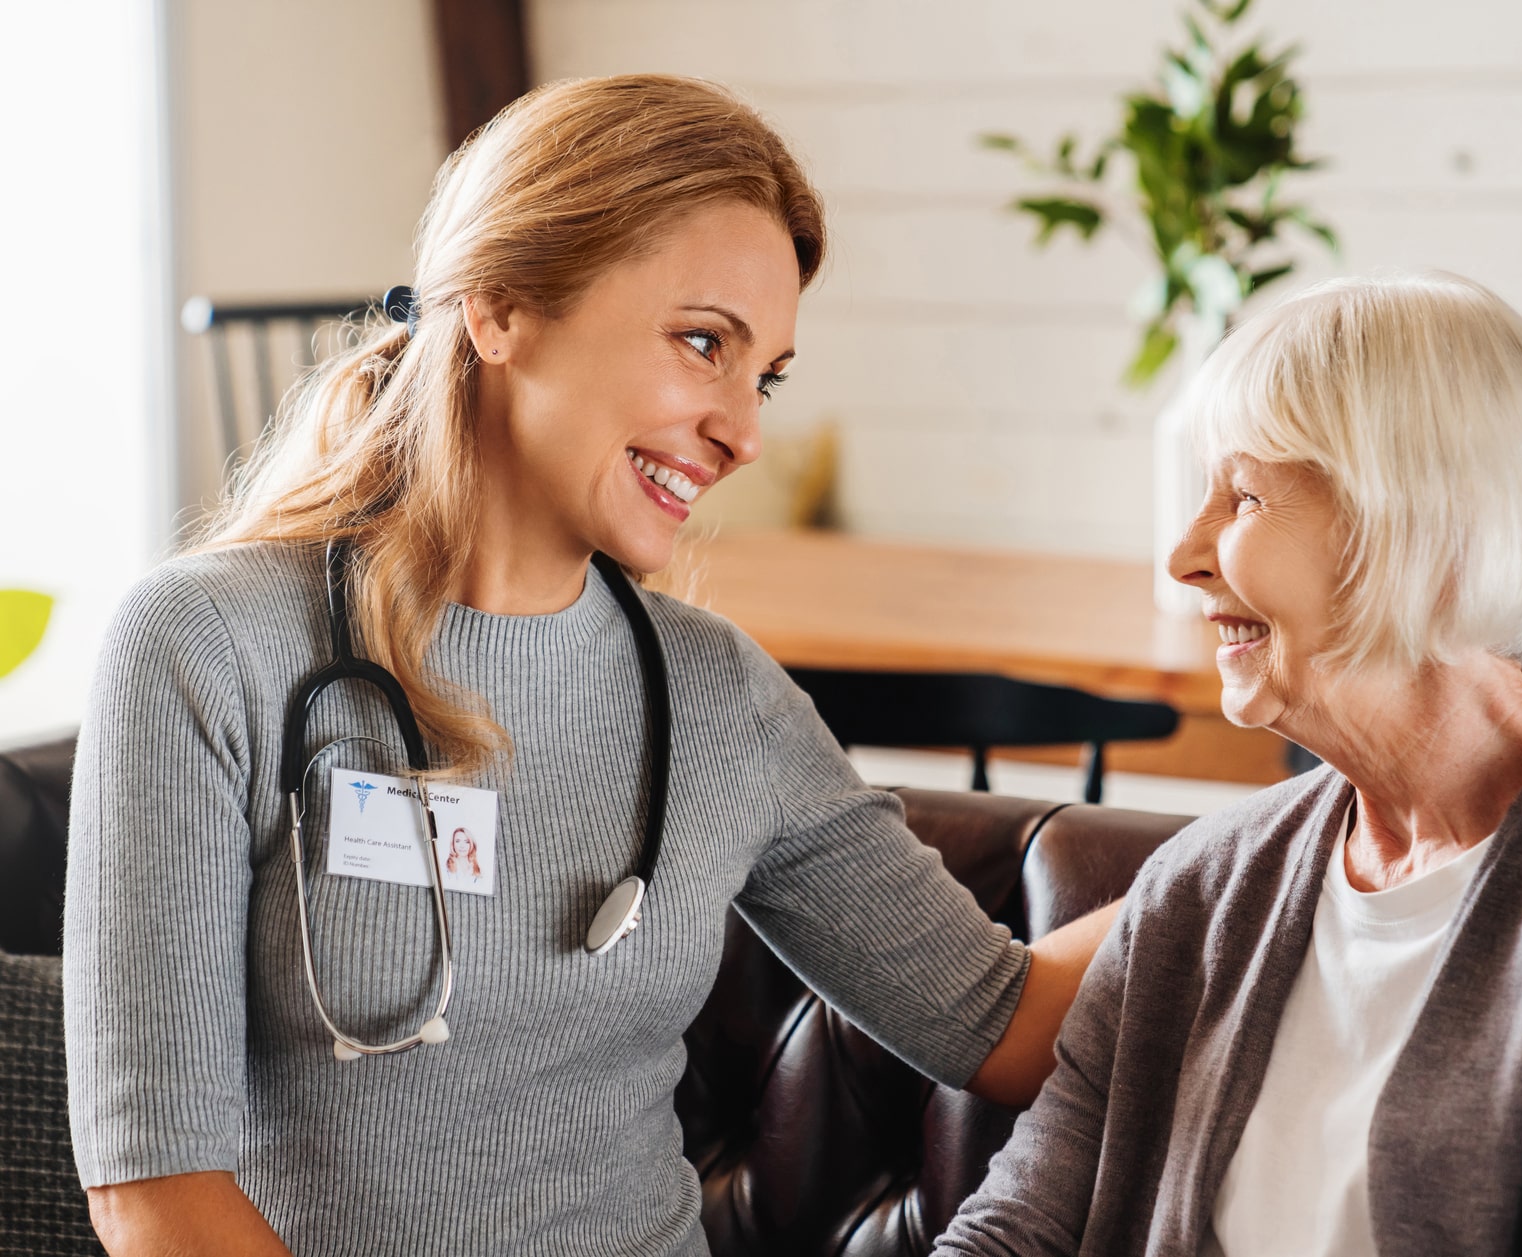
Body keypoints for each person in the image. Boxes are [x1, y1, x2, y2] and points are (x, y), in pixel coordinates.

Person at [65, 74, 1112, 1256]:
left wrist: (1320, 820)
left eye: (761, 374)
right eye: (703, 343)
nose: (743, 430)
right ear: (502, 308)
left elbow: (1002, 1021)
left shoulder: (721, 699)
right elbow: (157, 1193)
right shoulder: (206, 648)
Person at [935, 273, 1522, 1257]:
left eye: (1246, 495)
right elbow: (1014, 1232)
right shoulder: (1207, 886)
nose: (1187, 554)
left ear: (1417, 527)